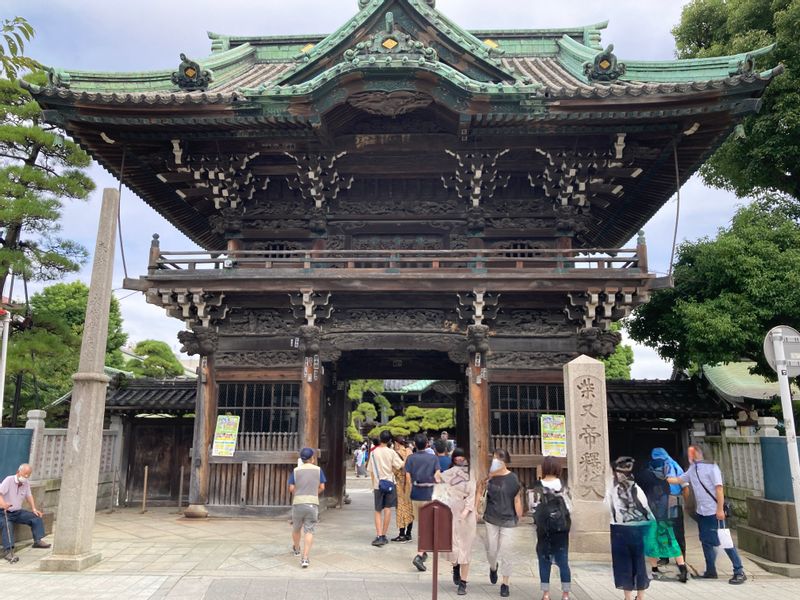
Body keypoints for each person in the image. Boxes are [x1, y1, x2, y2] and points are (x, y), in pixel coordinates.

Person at [667, 445, 747, 584]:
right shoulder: (693, 468)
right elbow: (680, 479)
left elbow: (719, 489)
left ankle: (739, 571)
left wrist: (720, 509)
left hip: (713, 511)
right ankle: (711, 570)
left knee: (723, 540)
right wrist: (664, 478)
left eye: (692, 452)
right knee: (705, 541)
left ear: (700, 453)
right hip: (702, 511)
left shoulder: (712, 467)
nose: (690, 455)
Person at [606, 456, 653, 600]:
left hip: (620, 529)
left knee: (623, 563)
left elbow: (607, 507)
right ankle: (641, 596)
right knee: (639, 561)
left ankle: (627, 596)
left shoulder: (613, 490)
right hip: (638, 529)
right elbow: (646, 508)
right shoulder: (637, 488)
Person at [636, 457, 688, 583]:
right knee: (671, 542)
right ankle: (682, 569)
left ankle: (654, 569)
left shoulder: (644, 477)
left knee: (651, 543)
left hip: (651, 517)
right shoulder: (664, 480)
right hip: (664, 517)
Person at [481, 449, 522, 598]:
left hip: (508, 519)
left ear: (503, 461)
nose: (493, 462)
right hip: (491, 518)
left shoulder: (513, 478)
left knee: (507, 551)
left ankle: (505, 583)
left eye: (496, 459)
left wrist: (519, 515)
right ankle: (493, 567)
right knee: (491, 550)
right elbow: (482, 496)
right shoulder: (489, 478)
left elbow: (517, 499)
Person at [531, 457, 572, 600]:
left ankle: (546, 594)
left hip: (544, 530)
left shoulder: (537, 486)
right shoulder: (563, 486)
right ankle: (565, 594)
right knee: (563, 561)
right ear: (557, 469)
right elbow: (570, 508)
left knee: (544, 560)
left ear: (544, 468)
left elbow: (533, 507)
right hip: (561, 530)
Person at [439, 447, 477, 595]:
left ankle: (463, 582)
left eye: (463, 458)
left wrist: (467, 510)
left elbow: (472, 493)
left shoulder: (470, 474)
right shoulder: (447, 474)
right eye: (457, 458)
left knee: (465, 548)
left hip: (466, 514)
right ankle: (455, 567)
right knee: (453, 545)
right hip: (451, 511)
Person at [0, 463, 51, 564]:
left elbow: (29, 496)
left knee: (36, 517)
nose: (26, 477)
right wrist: (3, 504)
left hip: (17, 512)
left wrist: (34, 509)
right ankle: (8, 551)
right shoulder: (9, 480)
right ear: (18, 472)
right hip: (4, 511)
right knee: (6, 525)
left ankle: (37, 541)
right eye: (24, 474)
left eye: (28, 475)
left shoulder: (26, 483)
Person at [405, 433, 441, 571]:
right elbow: (437, 476)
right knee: (427, 525)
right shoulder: (433, 458)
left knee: (421, 524)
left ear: (414, 444)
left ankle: (423, 551)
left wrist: (411, 489)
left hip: (415, 494)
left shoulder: (410, 458)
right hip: (429, 494)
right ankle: (420, 554)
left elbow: (408, 477)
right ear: (427, 444)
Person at [287, 448, 326, 568]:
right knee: (309, 530)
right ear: (312, 458)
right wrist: (314, 493)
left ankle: (297, 549)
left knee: (296, 528)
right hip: (312, 503)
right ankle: (305, 558)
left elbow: (291, 488)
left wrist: (298, 494)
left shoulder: (296, 471)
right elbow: (322, 487)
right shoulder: (318, 470)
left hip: (298, 502)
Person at [651, 447, 688, 560]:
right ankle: (672, 556)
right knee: (668, 528)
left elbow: (685, 486)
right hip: (668, 500)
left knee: (672, 528)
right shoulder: (664, 467)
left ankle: (675, 556)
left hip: (670, 500)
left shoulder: (672, 467)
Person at [368, 430, 404, 546]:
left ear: (380, 438)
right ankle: (384, 534)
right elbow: (400, 465)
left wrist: (373, 483)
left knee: (378, 510)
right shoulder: (391, 452)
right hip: (389, 483)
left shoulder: (373, 453)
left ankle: (378, 535)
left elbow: (370, 470)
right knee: (388, 509)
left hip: (378, 484)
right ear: (389, 440)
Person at [391, 436, 414, 543]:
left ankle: (401, 534)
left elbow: (395, 470)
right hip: (410, 482)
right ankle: (409, 533)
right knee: (409, 507)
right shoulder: (410, 452)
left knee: (401, 508)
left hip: (400, 484)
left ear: (396, 443)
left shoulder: (396, 453)